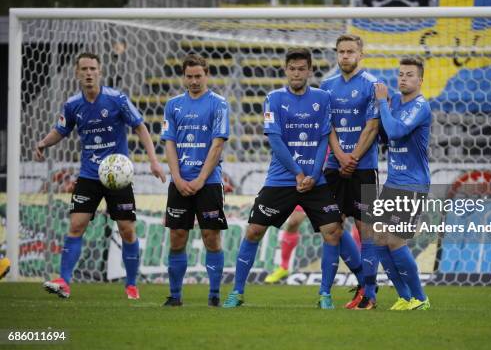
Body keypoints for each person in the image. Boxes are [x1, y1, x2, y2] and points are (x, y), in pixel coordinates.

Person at [35, 52, 166, 299]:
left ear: (100, 71)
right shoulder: (73, 104)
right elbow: (61, 130)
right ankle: (64, 281)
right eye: (83, 69)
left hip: (117, 175)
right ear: (77, 73)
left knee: (127, 229)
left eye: (92, 68)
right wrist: (43, 143)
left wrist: (154, 161)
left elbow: (140, 126)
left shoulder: (117, 99)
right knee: (76, 225)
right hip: (89, 175)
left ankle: (131, 285)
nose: (88, 73)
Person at [223, 48, 343, 309]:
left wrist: (313, 174)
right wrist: (299, 173)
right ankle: (237, 291)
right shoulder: (273, 98)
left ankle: (325, 294)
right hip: (281, 179)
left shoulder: (322, 98)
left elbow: (324, 138)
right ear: (286, 70)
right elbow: (275, 141)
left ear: (310, 71)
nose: (297, 73)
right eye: (293, 68)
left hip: (314, 180)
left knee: (333, 232)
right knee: (254, 230)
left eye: (302, 68)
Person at [160, 54, 230, 307]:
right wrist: (177, 178)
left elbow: (217, 144)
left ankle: (214, 295)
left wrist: (201, 179)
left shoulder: (219, 104)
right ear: (183, 77)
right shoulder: (173, 105)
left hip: (208, 183)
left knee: (211, 236)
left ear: (206, 74)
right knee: (177, 235)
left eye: (198, 76)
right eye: (189, 76)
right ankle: (175, 295)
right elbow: (169, 143)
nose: (193, 81)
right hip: (179, 182)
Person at [320, 34, 381, 309]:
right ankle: (360, 282)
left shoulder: (373, 85)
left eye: (350, 51)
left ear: (361, 54)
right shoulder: (326, 86)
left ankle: (369, 295)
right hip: (335, 167)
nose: (345, 56)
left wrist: (353, 157)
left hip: (364, 168)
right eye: (341, 51)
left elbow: (372, 126)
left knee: (365, 229)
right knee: (332, 226)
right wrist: (341, 156)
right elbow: (327, 126)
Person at [373, 57, 431, 311]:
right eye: (400, 74)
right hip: (393, 180)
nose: (403, 78)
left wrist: (381, 105)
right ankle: (404, 297)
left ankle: (420, 298)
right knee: (379, 239)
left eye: (409, 74)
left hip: (413, 182)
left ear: (420, 80)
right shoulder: (395, 101)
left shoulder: (421, 106)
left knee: (395, 239)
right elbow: (385, 134)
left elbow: (396, 131)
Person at [264, 207, 305, 283]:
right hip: (302, 196)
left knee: (330, 229)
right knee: (293, 222)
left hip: (321, 197)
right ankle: (284, 267)